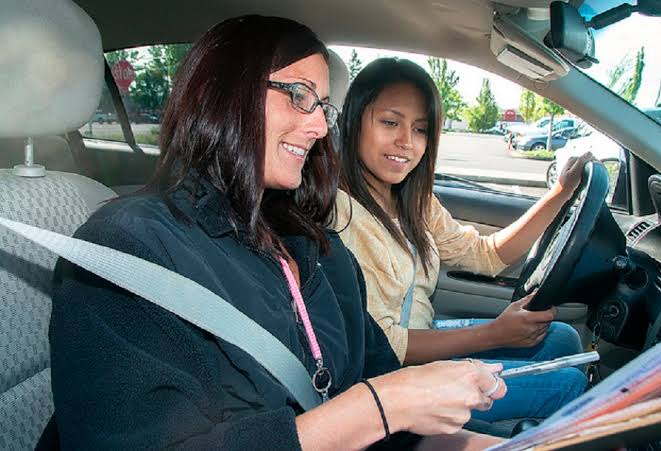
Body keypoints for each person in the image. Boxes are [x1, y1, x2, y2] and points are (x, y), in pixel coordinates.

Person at [46, 16, 509, 450]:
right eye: (299, 95)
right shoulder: (129, 249)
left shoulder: (321, 249)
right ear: (226, 92)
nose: (319, 126)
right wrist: (377, 408)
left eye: (323, 106)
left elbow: (393, 413)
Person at [334, 58, 590, 423]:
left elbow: (485, 255)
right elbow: (385, 344)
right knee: (568, 386)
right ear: (354, 120)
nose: (406, 142)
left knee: (562, 337)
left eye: (420, 129)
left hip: (422, 337)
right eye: (390, 122)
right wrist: (494, 334)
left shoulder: (412, 200)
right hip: (391, 376)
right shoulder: (343, 216)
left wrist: (560, 193)